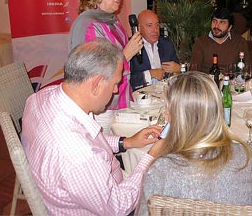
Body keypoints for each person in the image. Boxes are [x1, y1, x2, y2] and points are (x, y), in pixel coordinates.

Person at [22, 39, 165, 216]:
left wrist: (126, 142)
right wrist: (151, 158)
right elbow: (119, 207)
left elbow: (89, 139)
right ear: (96, 84)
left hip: (83, 193)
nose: (115, 91)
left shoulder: (40, 98)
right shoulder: (78, 154)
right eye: (114, 84)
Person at [135, 72, 252, 215]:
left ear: (179, 116)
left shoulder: (160, 170)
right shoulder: (248, 156)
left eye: (168, 109)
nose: (165, 113)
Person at [68, 0, 143, 109]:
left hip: (122, 101)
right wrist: (125, 56)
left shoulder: (113, 21)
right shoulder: (89, 26)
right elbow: (94, 77)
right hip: (102, 111)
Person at [130, 9, 180, 90]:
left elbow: (178, 71)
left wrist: (179, 69)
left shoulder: (166, 44)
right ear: (139, 28)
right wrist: (150, 74)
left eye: (157, 25)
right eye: (150, 25)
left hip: (165, 94)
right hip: (142, 98)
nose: (155, 30)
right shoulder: (131, 47)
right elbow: (126, 82)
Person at [190, 8, 251, 73]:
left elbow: (247, 69)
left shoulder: (239, 42)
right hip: (208, 81)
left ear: (229, 27)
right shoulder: (201, 42)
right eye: (214, 21)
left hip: (231, 81)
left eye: (222, 22)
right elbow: (194, 71)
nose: (216, 25)